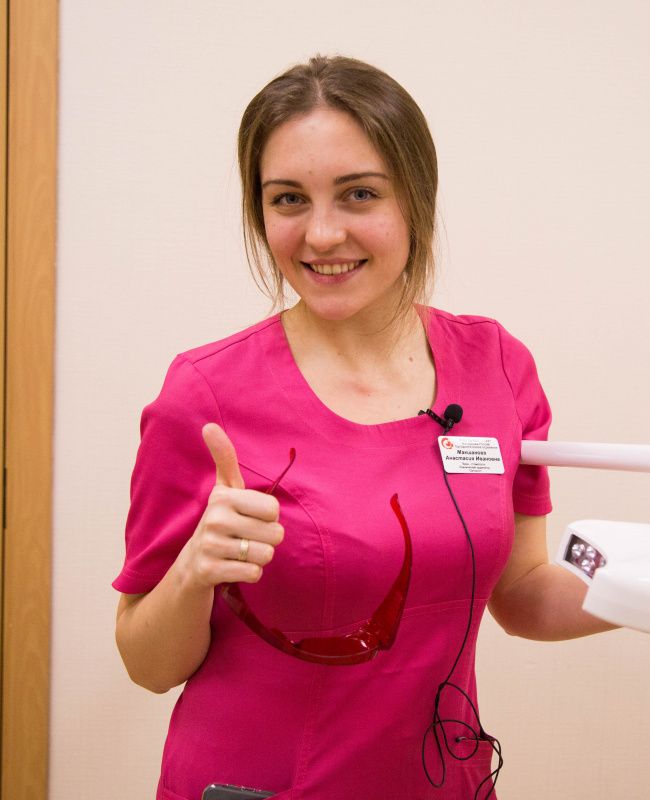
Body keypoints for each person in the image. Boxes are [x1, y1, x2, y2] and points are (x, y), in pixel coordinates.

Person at [113, 55, 616, 800]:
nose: (321, 234)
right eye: (289, 199)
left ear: (417, 199)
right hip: (260, 784)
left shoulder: (496, 366)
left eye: (359, 194)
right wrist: (195, 569)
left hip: (442, 780)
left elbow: (524, 595)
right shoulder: (206, 393)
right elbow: (146, 663)